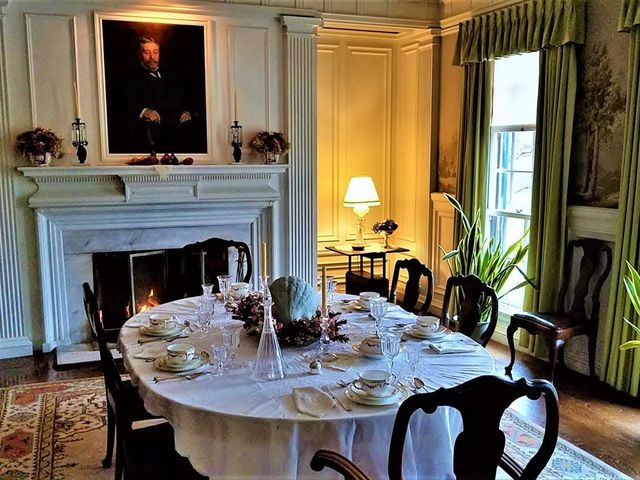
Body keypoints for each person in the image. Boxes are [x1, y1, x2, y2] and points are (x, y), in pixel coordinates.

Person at [123, 36, 203, 153]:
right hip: (152, 135)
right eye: (147, 52)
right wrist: (144, 111)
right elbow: (125, 103)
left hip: (179, 131)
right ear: (139, 55)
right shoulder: (131, 77)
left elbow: (186, 97)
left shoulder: (171, 73)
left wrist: (188, 111)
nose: (152, 57)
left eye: (155, 52)